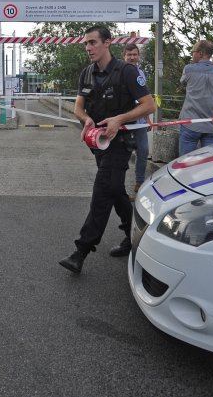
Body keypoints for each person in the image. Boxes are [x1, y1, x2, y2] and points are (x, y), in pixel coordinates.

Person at [59, 26, 155, 273]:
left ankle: (81, 251)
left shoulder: (127, 72)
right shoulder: (87, 74)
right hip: (97, 144)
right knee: (114, 189)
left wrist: (119, 119)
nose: (88, 48)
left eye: (92, 42)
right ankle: (134, 232)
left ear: (107, 43)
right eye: (86, 44)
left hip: (120, 142)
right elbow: (78, 108)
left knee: (102, 191)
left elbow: (149, 105)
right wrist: (86, 119)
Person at [177, 39, 213, 156]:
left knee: (185, 162)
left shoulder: (188, 69)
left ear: (200, 53)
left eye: (192, 51)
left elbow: (183, 83)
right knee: (209, 166)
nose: (192, 54)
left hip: (190, 124)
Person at [123, 43, 154, 197]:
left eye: (134, 54)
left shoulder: (141, 73)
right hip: (125, 121)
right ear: (124, 56)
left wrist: (148, 119)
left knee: (143, 151)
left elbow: (145, 99)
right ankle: (118, 183)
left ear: (138, 56)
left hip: (140, 121)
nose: (132, 57)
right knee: (122, 153)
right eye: (129, 55)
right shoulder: (119, 73)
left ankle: (139, 182)